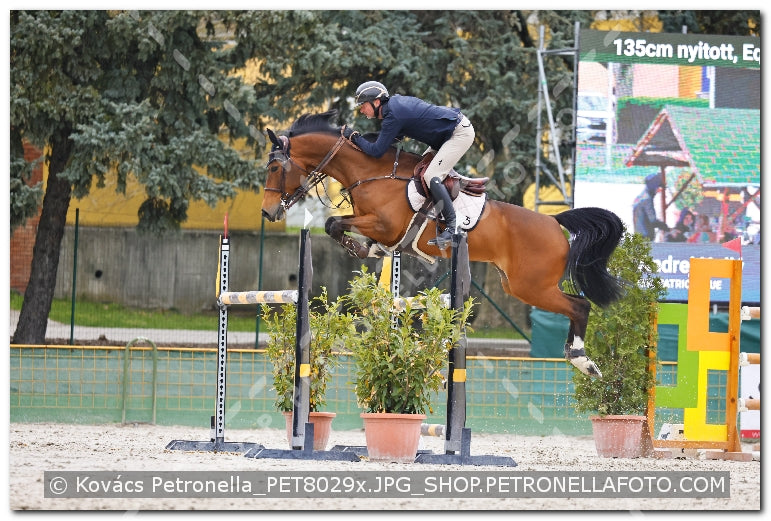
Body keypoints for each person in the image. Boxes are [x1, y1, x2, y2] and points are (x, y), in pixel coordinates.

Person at [343, 81, 475, 249]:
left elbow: (376, 151)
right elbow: (389, 139)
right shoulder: (393, 109)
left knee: (430, 176)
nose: (361, 110)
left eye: (363, 105)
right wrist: (360, 139)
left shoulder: (394, 114)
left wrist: (354, 137)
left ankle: (453, 226)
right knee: (418, 172)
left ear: (376, 102)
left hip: (458, 134)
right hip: (444, 137)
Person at [632, 173, 669, 240]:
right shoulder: (647, 199)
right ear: (653, 186)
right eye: (659, 187)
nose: (659, 190)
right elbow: (653, 221)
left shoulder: (640, 197)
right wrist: (664, 226)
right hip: (645, 236)